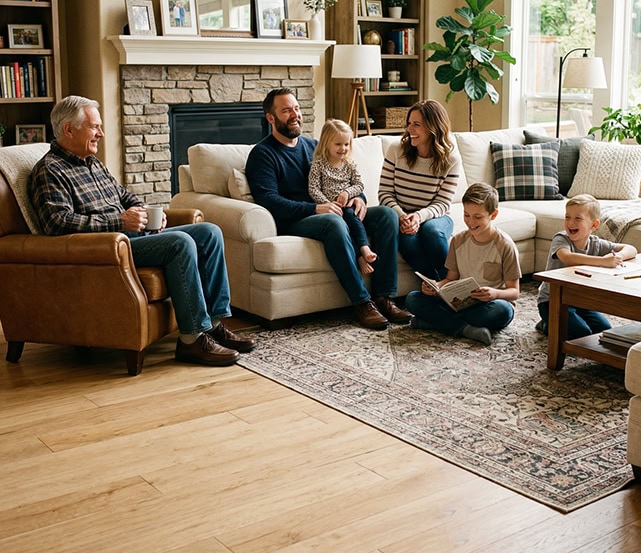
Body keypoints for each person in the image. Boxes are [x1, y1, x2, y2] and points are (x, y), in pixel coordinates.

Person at [29, 95, 257, 367]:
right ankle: (191, 340)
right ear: (69, 129)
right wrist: (119, 222)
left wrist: (147, 215)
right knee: (180, 243)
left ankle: (213, 324)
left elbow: (127, 198)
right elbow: (56, 222)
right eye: (94, 127)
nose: (100, 133)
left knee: (209, 231)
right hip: (105, 248)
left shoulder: (93, 163)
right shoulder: (49, 171)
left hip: (131, 237)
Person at [245, 88, 411, 330]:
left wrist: (360, 198)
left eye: (297, 108)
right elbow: (269, 200)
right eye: (286, 110)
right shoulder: (263, 154)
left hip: (336, 208)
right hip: (297, 219)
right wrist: (315, 208)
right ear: (270, 118)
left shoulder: (315, 146)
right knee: (333, 222)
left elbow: (345, 177)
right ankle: (361, 302)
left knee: (386, 215)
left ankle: (385, 297)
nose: (295, 115)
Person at [405, 183, 521, 346]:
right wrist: (436, 286)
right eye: (466, 215)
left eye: (477, 217)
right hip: (460, 303)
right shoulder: (458, 241)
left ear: (493, 215)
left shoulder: (505, 246)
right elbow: (451, 279)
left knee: (504, 311)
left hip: (488, 304)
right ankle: (466, 329)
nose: (470, 222)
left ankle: (434, 323)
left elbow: (514, 292)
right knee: (412, 299)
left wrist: (494, 293)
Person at [378, 99, 462, 280]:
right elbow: (384, 193)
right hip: (403, 216)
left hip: (436, 217)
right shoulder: (396, 150)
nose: (410, 129)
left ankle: (453, 284)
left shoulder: (451, 158)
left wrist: (419, 216)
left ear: (434, 127)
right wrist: (402, 216)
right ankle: (437, 285)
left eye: (417, 125)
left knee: (431, 232)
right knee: (407, 240)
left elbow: (443, 203)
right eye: (409, 123)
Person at [536, 194, 638, 339]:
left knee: (604, 330)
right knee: (581, 333)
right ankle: (547, 325)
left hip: (580, 301)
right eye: (567, 217)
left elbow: (631, 248)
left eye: (578, 218)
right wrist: (603, 261)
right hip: (552, 301)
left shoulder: (596, 243)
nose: (571, 222)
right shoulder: (561, 239)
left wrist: (618, 257)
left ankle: (558, 323)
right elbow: (568, 258)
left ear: (594, 225)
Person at [308, 119, 376, 274]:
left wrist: (347, 193)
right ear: (326, 143)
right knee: (341, 226)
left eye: (346, 144)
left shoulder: (350, 164)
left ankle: (364, 248)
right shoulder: (318, 164)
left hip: (348, 205)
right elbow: (313, 189)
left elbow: (359, 185)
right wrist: (328, 204)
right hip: (330, 208)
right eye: (338, 144)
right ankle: (360, 256)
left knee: (352, 216)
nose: (343, 148)